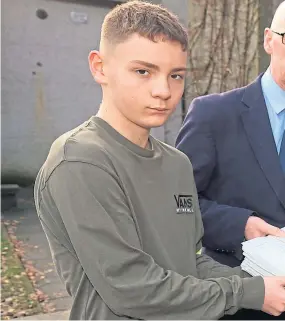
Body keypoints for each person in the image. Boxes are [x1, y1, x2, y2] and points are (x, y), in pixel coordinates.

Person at [34, 1, 285, 320]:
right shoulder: (81, 159)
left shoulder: (176, 164)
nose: (163, 90)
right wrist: (249, 292)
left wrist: (263, 286)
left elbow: (190, 264)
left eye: (176, 75)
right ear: (100, 67)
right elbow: (131, 287)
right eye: (143, 71)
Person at [176, 1, 285, 320]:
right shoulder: (214, 115)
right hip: (243, 301)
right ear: (269, 39)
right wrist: (240, 225)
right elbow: (178, 203)